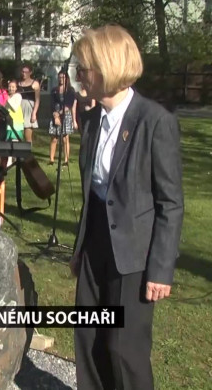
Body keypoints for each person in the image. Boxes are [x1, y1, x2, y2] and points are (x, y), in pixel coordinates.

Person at [70, 25, 184, 390]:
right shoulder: (91, 121)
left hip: (134, 254)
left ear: (107, 68)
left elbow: (170, 203)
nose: (78, 75)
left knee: (123, 349)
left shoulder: (155, 122)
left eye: (83, 68)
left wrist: (161, 270)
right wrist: (81, 250)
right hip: (96, 244)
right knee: (89, 337)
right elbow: (93, 193)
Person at [48, 70, 77, 165]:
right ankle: (51, 160)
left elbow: (69, 105)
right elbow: (52, 103)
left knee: (65, 138)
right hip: (55, 114)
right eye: (59, 77)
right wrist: (55, 115)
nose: (61, 79)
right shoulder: (54, 90)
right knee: (54, 138)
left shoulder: (70, 90)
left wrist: (59, 114)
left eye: (63, 77)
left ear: (67, 79)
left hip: (65, 114)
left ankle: (66, 160)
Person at [18, 64, 41, 142]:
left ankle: (28, 149)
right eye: (22, 72)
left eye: (26, 72)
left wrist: (34, 113)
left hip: (29, 109)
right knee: (18, 134)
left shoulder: (35, 83)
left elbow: (37, 99)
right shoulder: (19, 83)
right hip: (19, 108)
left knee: (27, 134)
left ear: (30, 72)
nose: (24, 73)